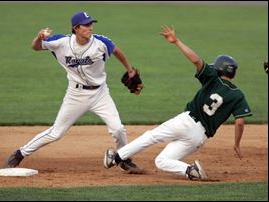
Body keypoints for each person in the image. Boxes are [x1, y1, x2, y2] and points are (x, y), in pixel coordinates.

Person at [104, 25, 252, 180]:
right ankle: (190, 170)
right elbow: (240, 122)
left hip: (186, 122)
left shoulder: (212, 79)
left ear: (219, 69)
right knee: (162, 160)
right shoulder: (238, 95)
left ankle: (116, 158)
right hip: (199, 138)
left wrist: (176, 41)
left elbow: (196, 60)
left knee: (151, 136)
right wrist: (237, 144)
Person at [4, 11, 141, 174]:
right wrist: (39, 37)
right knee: (56, 133)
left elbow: (117, 51)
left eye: (91, 24)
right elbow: (35, 47)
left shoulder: (101, 42)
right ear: (76, 28)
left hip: (100, 94)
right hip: (75, 95)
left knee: (118, 129)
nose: (90, 27)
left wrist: (129, 70)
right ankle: (20, 154)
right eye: (86, 25)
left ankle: (124, 159)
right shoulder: (60, 42)